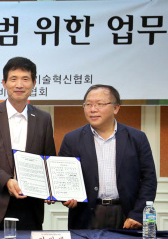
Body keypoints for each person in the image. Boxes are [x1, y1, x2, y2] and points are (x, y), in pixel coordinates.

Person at [0, 57, 56, 230]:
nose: (19, 85)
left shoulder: (43, 119)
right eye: (13, 79)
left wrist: (51, 188)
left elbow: (48, 159)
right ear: (4, 83)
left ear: (34, 83)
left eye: (25, 79)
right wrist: (6, 181)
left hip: (31, 205)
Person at [59, 84, 157, 229]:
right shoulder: (72, 139)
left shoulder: (137, 138)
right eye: (88, 104)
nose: (93, 109)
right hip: (86, 216)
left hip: (127, 216)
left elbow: (149, 179)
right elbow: (62, 177)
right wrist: (65, 197)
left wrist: (137, 214)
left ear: (116, 108)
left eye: (100, 104)